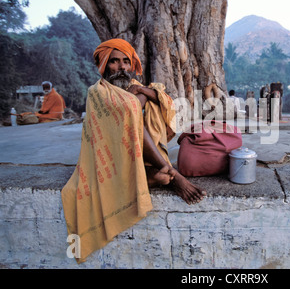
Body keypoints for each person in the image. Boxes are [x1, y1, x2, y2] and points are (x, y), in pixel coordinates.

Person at [61, 38, 206, 263]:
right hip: (113, 162)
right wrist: (141, 94)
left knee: (145, 116)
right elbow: (129, 108)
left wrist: (143, 92)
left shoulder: (135, 87)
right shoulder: (97, 92)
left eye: (126, 62)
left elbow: (167, 103)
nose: (121, 68)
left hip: (140, 158)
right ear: (103, 65)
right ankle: (171, 174)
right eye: (114, 62)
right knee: (132, 119)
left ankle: (156, 175)